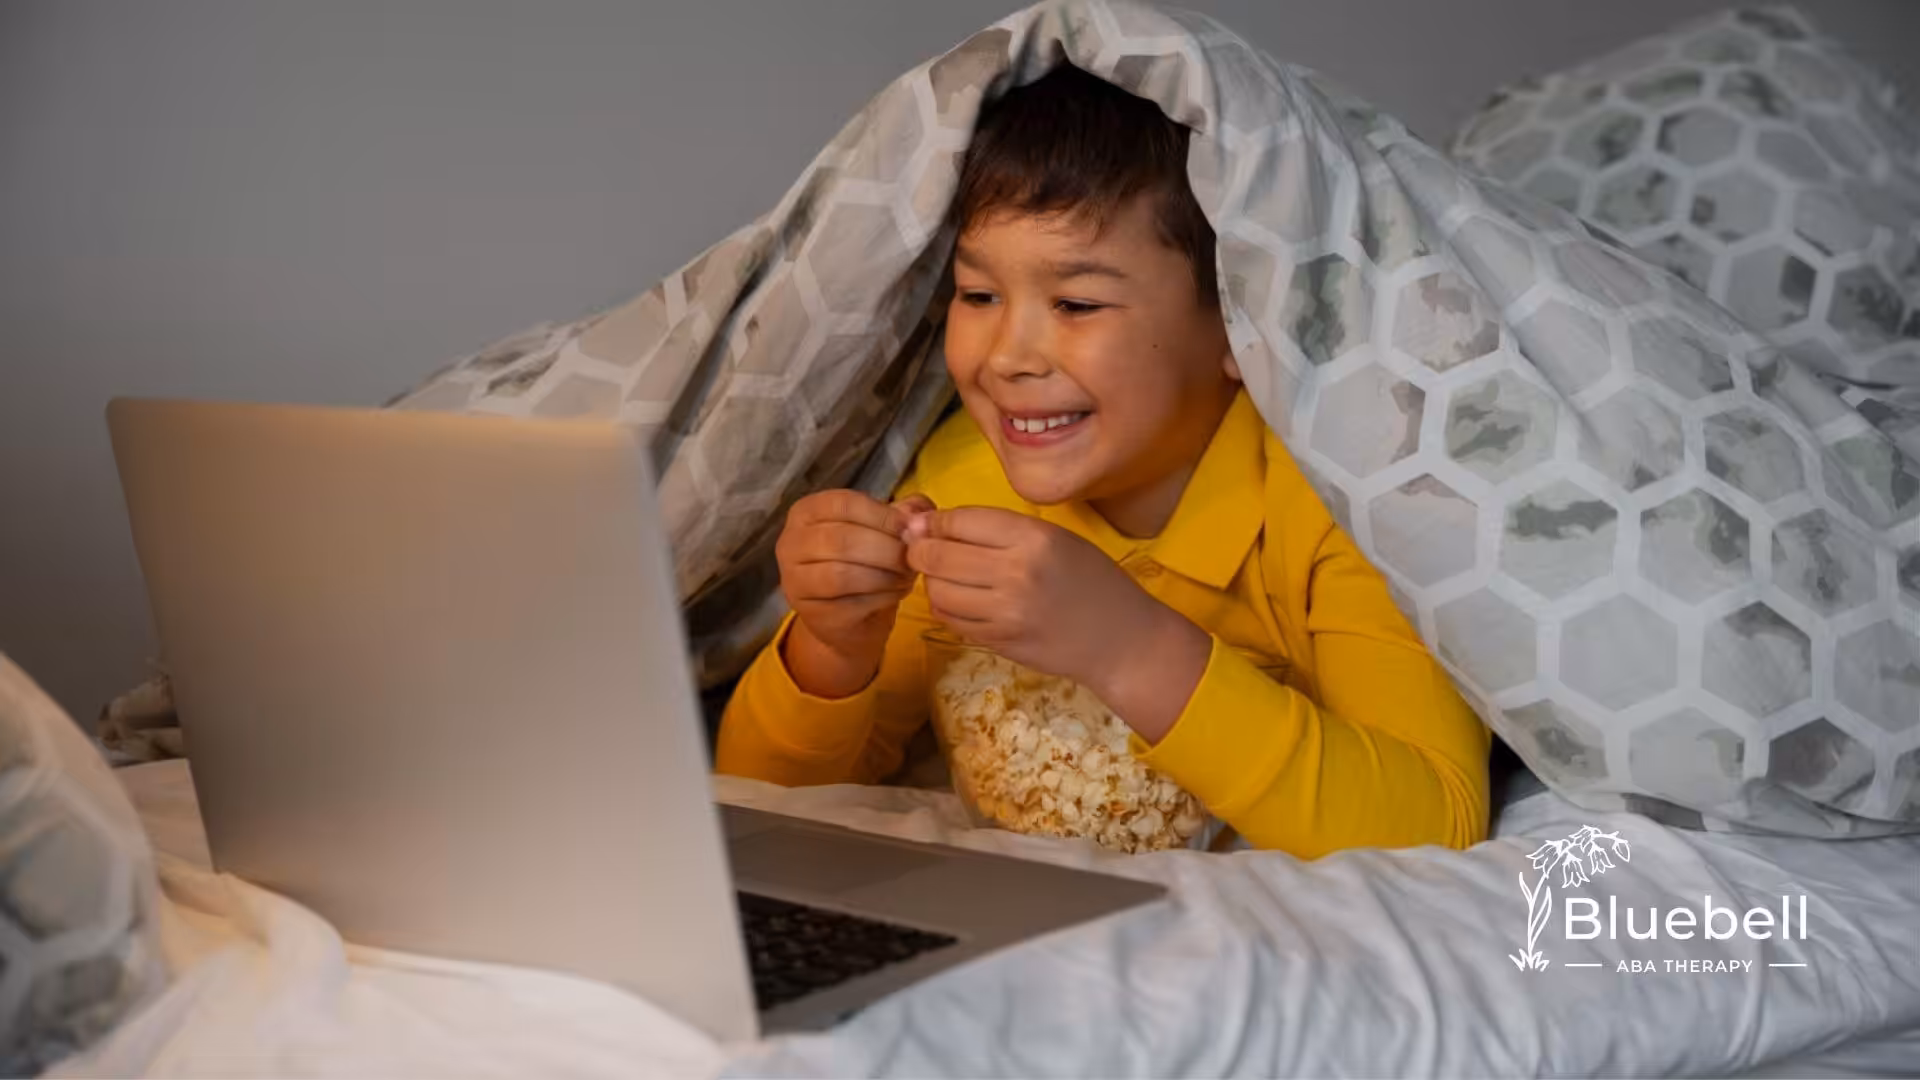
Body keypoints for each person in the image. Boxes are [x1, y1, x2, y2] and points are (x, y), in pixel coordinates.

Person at [714, 63, 1490, 858]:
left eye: (1077, 304)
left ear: (1244, 325)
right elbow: (756, 805)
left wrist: (1126, 645)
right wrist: (832, 649)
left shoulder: (1335, 502)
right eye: (978, 296)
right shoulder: (968, 480)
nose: (1008, 357)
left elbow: (1432, 825)